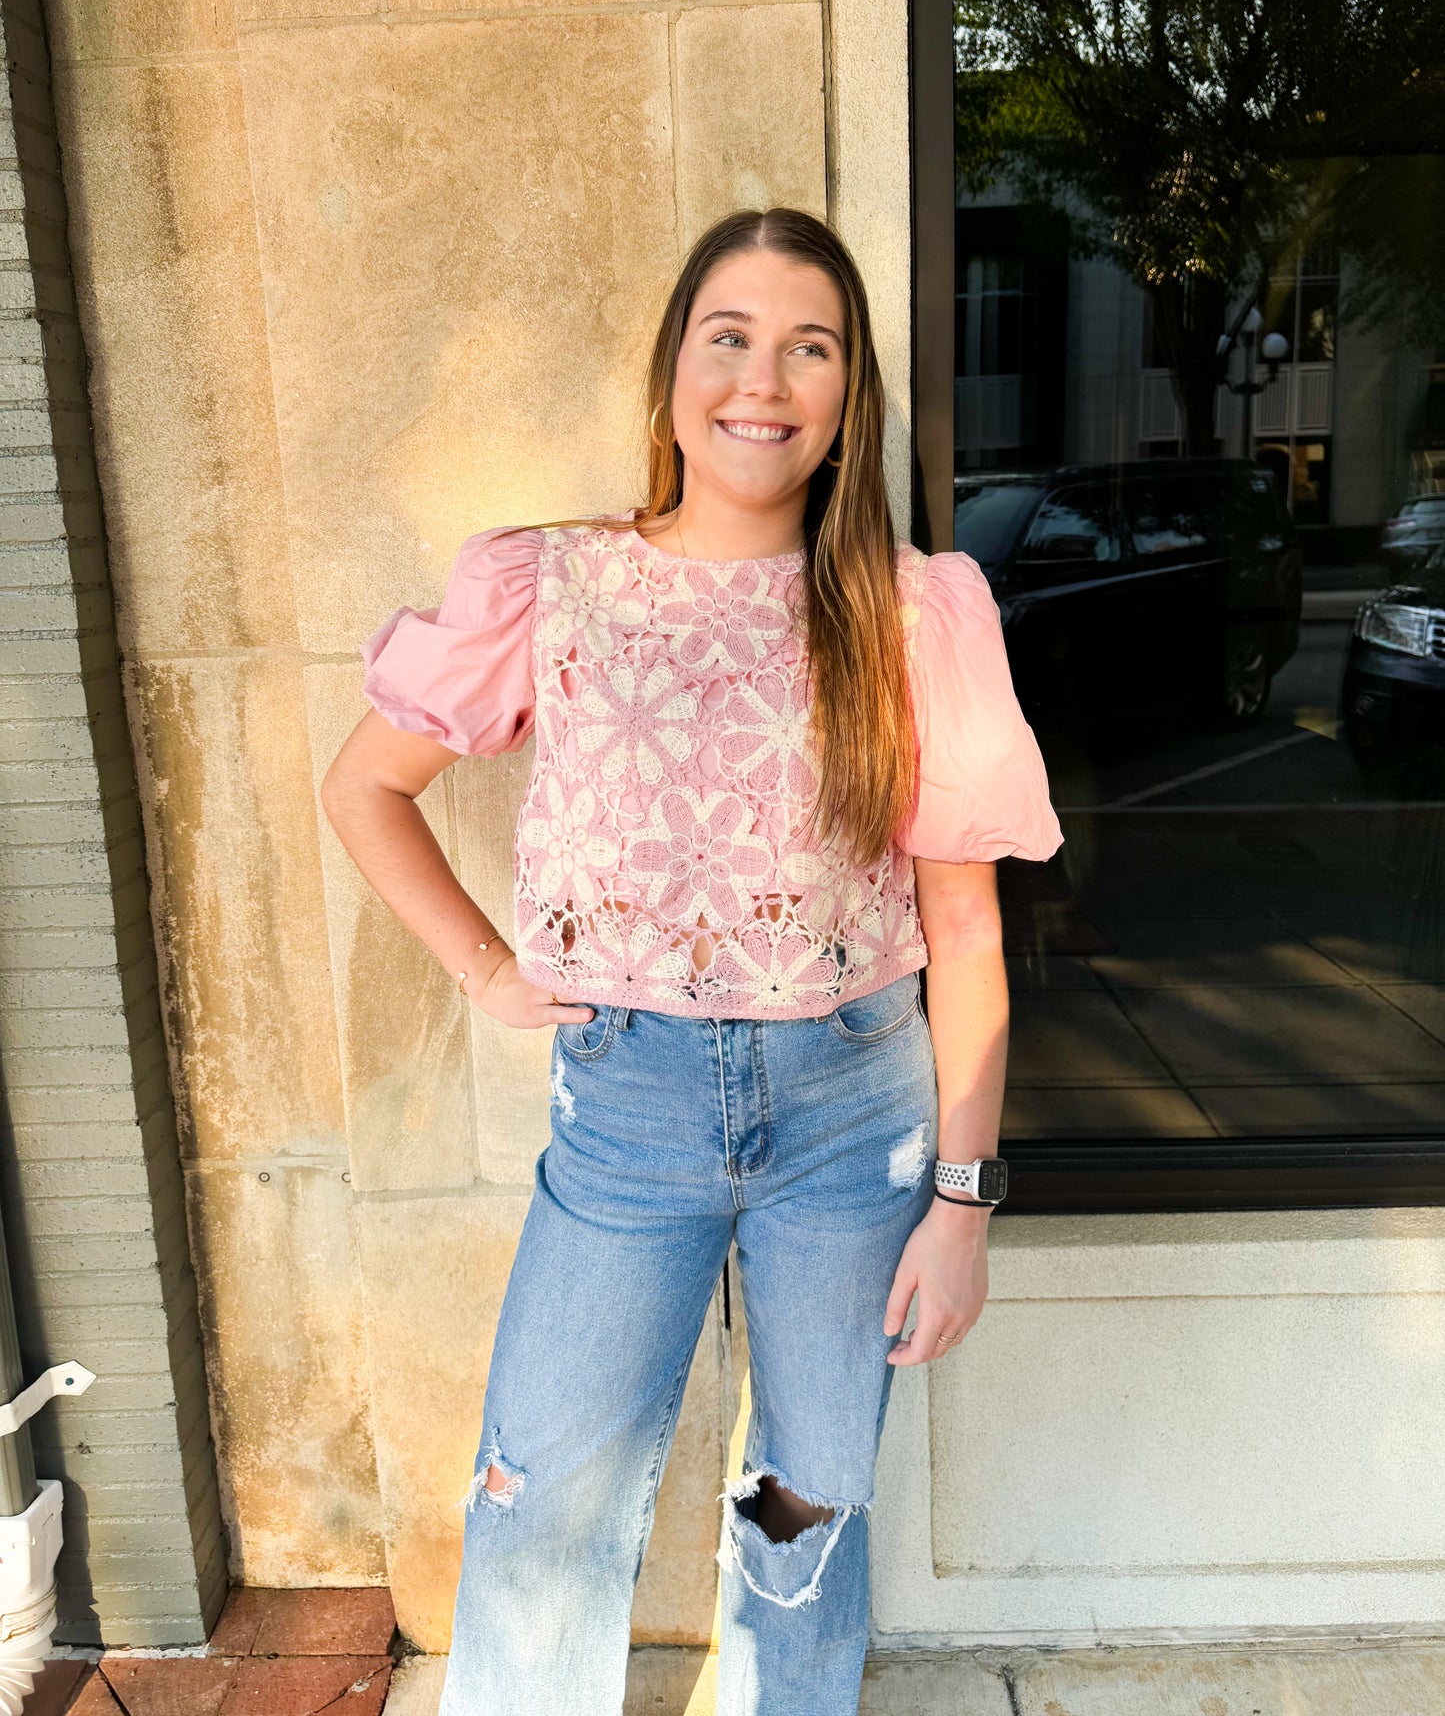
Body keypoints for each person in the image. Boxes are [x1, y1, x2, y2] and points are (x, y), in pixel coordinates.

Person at [321, 207, 1061, 1715]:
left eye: (810, 347)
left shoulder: (907, 612)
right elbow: (363, 786)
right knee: (538, 1504)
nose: (763, 380)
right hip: (629, 1121)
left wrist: (963, 1202)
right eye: (729, 336)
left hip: (855, 1123)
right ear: (671, 367)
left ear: (848, 393)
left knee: (807, 1500)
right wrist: (483, 967)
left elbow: (966, 930)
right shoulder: (553, 587)